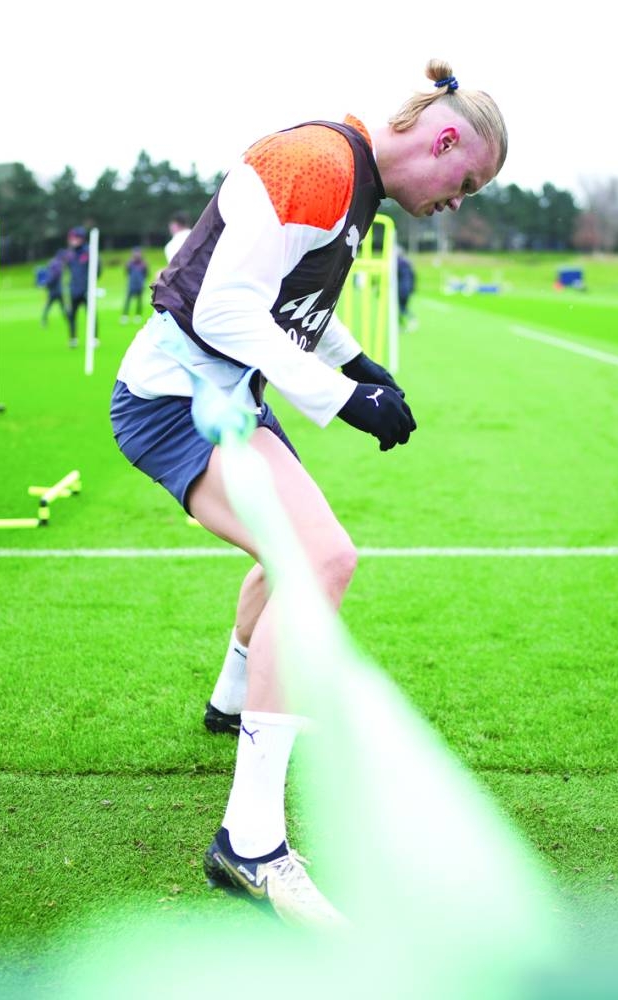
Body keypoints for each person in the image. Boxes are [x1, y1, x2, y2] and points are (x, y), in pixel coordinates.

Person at [110, 58, 506, 926]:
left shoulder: (351, 178)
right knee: (319, 559)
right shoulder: (321, 165)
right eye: (466, 181)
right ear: (442, 141)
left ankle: (232, 700)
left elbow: (290, 302)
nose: (457, 201)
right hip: (177, 397)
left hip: (224, 393)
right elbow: (222, 310)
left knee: (295, 550)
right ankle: (249, 846)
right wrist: (343, 398)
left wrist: (352, 360)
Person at [65, 226, 97, 348]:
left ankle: (94, 338)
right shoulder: (70, 254)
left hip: (87, 290)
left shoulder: (88, 252)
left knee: (91, 314)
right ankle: (73, 338)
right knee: (72, 315)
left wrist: (91, 285)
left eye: (75, 238)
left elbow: (96, 269)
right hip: (74, 290)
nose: (72, 240)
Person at [120, 248, 149, 324]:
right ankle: (125, 316)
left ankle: (138, 316)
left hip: (140, 285)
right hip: (131, 285)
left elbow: (146, 274)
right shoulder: (130, 263)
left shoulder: (144, 264)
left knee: (139, 302)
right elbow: (127, 272)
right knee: (127, 301)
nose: (137, 255)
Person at [40, 250, 67, 327]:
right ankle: (44, 321)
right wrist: (47, 283)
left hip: (55, 290)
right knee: (61, 306)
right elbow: (53, 276)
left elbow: (52, 277)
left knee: (49, 306)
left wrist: (46, 284)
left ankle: (44, 321)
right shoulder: (58, 264)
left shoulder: (55, 263)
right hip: (56, 290)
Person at [396, 248, 417, 330]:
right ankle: (400, 325)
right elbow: (413, 277)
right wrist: (412, 288)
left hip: (400, 290)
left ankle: (412, 319)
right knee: (401, 308)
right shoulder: (409, 264)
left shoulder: (397, 264)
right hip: (407, 289)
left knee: (401, 308)